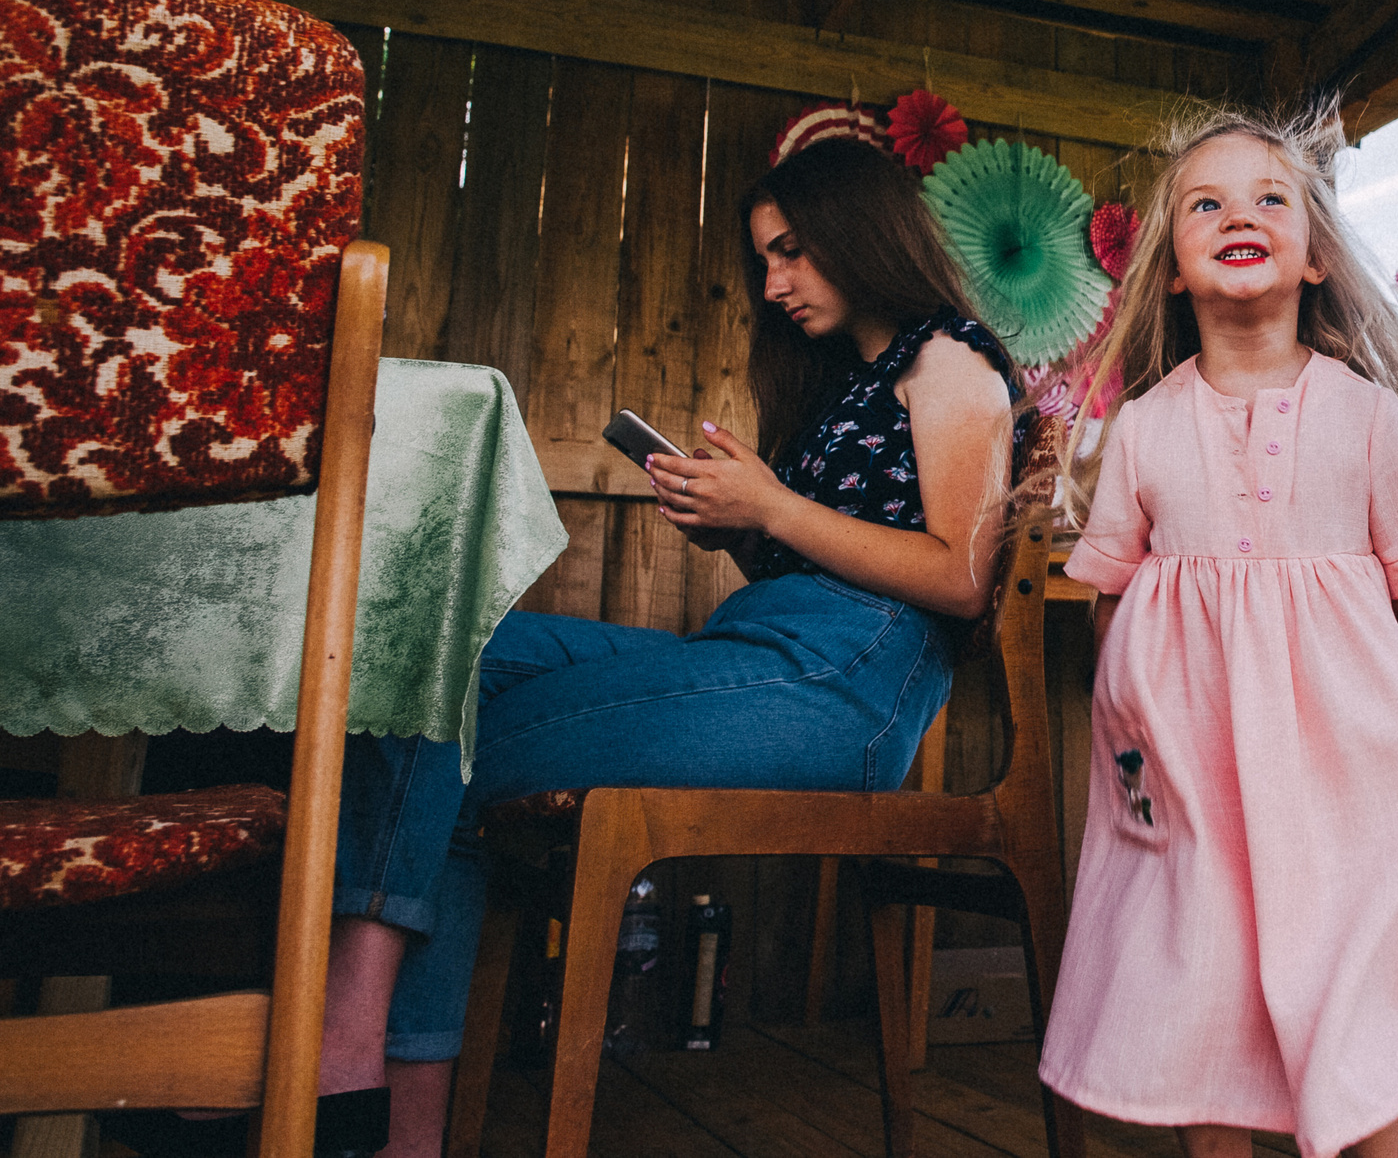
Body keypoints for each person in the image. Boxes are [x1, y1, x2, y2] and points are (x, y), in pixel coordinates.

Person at [112, 138, 1021, 1158]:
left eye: (792, 251)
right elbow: (825, 557)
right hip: (764, 650)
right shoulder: (844, 379)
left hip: (843, 687)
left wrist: (771, 506)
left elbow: (960, 576)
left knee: (447, 747)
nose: (773, 284)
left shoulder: (951, 361)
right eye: (764, 258)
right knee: (425, 653)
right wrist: (740, 527)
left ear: (862, 231)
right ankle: (383, 1097)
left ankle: (349, 1046)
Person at [1036, 107, 1398, 1158]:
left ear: (1315, 257)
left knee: (1351, 965)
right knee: (1202, 964)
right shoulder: (1143, 428)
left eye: (1270, 198)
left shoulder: (1363, 414)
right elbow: (1111, 599)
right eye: (1206, 204)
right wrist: (1132, 748)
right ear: (1171, 271)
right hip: (1195, 763)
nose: (1241, 215)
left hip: (1344, 757)